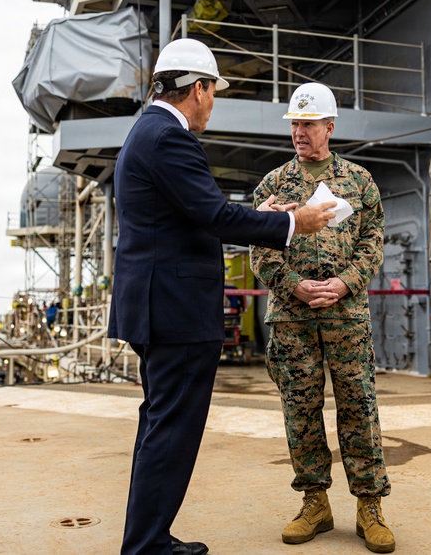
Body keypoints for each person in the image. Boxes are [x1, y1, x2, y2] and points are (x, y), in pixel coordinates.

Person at [109, 39, 336, 555]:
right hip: (175, 314)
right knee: (171, 433)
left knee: (160, 428)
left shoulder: (148, 132)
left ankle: (150, 538)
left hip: (158, 309)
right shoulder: (169, 138)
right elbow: (214, 217)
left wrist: (266, 213)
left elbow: (198, 210)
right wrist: (290, 222)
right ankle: (146, 547)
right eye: (213, 93)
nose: (212, 104)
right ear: (199, 89)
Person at [250, 82, 394, 553]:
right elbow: (259, 249)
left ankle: (370, 506)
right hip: (292, 318)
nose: (299, 132)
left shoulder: (359, 180)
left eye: (308, 124)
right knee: (301, 409)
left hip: (346, 313)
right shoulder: (273, 185)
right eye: (294, 124)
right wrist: (293, 283)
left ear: (329, 127)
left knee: (358, 406)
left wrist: (347, 281)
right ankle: (315, 502)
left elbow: (374, 239)